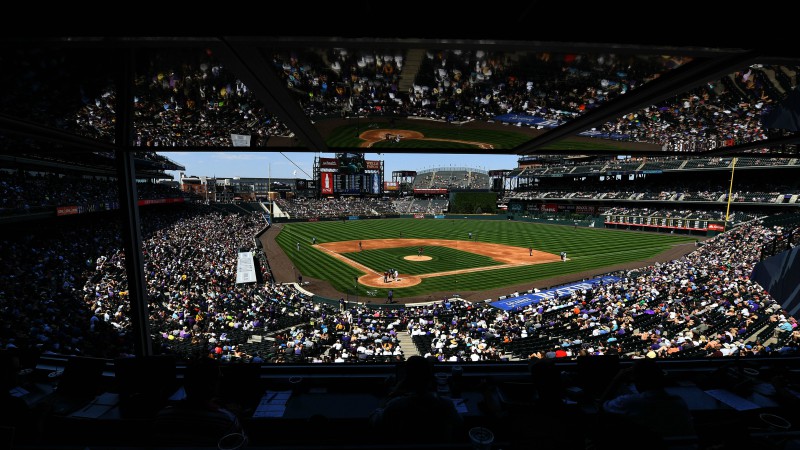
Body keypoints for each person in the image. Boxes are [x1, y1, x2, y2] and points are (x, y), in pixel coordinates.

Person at [595, 359, 695, 448]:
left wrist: (617, 379)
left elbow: (601, 407)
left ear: (637, 380)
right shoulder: (679, 402)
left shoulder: (630, 402)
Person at [154, 358, 246, 446]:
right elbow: (241, 445)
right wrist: (234, 418)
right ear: (213, 385)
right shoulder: (227, 420)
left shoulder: (161, 417)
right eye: (218, 378)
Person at [369, 356, 462, 443]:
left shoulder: (396, 405)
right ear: (430, 379)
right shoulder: (445, 404)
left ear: (406, 381)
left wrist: (392, 394)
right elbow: (459, 422)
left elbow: (375, 421)